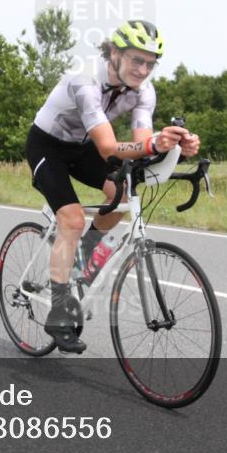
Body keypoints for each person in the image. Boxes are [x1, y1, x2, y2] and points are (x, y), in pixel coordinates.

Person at [25, 20, 201, 353]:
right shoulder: (86, 81)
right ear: (116, 53)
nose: (144, 69)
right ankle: (60, 312)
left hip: (81, 148)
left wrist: (175, 147)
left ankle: (82, 256)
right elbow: (108, 149)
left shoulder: (144, 91)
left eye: (151, 63)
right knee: (73, 219)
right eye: (137, 60)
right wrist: (155, 145)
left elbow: (141, 144)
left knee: (120, 194)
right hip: (47, 146)